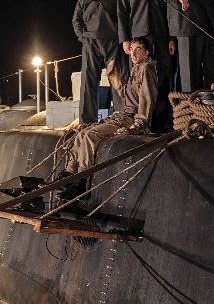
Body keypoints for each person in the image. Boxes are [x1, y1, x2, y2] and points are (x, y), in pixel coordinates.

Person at [59, 37, 158, 199]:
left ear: (147, 52)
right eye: (131, 48)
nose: (133, 52)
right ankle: (69, 173)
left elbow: (147, 100)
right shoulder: (136, 68)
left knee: (91, 136)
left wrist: (138, 125)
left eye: (138, 48)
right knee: (82, 133)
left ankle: (82, 181)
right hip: (123, 114)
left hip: (130, 118)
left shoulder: (146, 68)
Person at [117, 0, 175, 130]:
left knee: (163, 79)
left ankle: (162, 125)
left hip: (161, 36)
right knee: (138, 81)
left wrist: (172, 37)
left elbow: (170, 9)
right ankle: (139, 122)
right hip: (138, 39)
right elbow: (122, 12)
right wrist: (125, 38)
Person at [72, 0, 127, 124]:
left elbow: (124, 17)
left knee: (117, 81)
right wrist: (83, 38)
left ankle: (122, 118)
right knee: (88, 82)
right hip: (91, 43)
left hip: (112, 43)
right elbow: (77, 21)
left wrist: (122, 38)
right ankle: (87, 121)